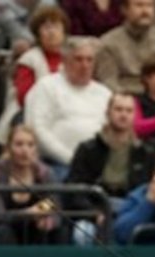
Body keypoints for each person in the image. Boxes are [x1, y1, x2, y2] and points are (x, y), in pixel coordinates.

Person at [24, 37, 111, 177]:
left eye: (90, 60)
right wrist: (73, 159)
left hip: (97, 166)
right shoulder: (47, 86)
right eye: (78, 59)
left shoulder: (104, 93)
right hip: (56, 164)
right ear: (64, 61)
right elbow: (37, 130)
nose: (85, 65)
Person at [0, 123, 67, 244]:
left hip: (33, 231)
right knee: (3, 231)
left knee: (58, 230)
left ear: (36, 149)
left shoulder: (45, 173)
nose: (25, 150)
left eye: (30, 145)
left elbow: (54, 204)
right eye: (19, 144)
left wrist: (48, 220)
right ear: (9, 148)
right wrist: (28, 213)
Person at [67, 89, 152, 223]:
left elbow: (146, 191)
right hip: (95, 205)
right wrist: (93, 213)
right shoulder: (88, 149)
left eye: (129, 111)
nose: (123, 115)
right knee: (82, 230)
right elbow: (75, 189)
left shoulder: (145, 152)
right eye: (118, 109)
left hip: (130, 209)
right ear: (107, 112)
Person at [0, 4, 67, 146]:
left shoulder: (70, 58)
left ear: (64, 32)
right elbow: (25, 97)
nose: (52, 32)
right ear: (38, 34)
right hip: (29, 112)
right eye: (46, 28)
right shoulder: (29, 59)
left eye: (56, 27)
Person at [94, 0, 155, 94]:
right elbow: (109, 82)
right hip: (127, 98)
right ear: (124, 10)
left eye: (149, 6)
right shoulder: (108, 42)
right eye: (139, 5)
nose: (145, 11)